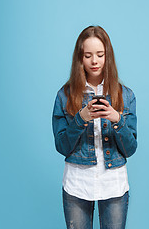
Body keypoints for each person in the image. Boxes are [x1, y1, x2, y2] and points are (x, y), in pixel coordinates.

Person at [52, 25, 137, 229]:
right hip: (77, 184)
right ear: (80, 58)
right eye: (88, 55)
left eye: (100, 54)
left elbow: (131, 149)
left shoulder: (126, 95)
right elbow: (62, 147)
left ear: (108, 56)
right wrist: (80, 119)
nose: (94, 61)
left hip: (113, 184)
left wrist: (117, 119)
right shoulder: (64, 96)